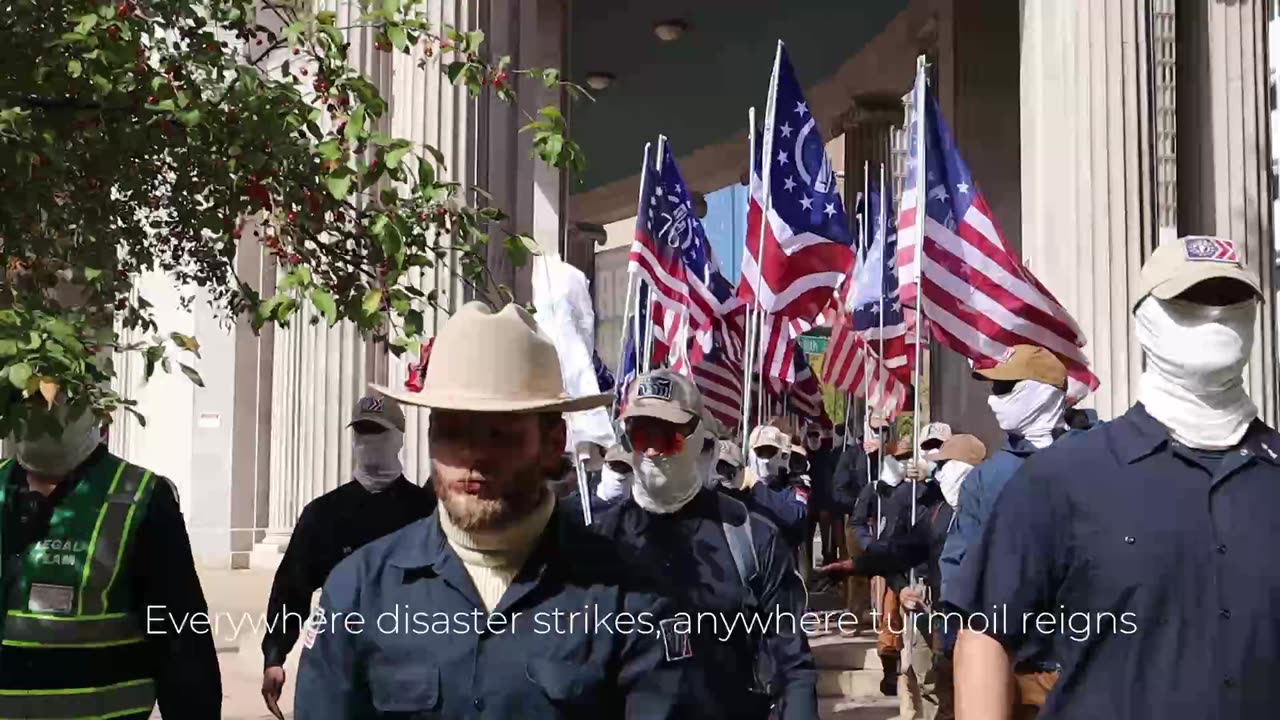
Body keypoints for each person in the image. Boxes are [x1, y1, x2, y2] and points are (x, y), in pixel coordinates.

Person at [293, 302, 683, 718]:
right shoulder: (359, 590)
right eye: (451, 431)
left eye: (498, 433)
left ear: (553, 442)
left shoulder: (631, 599)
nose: (471, 456)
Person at [952, 236, 1280, 720]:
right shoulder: (1062, 479)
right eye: (1191, 300)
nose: (1214, 316)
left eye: (1231, 300)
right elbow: (986, 633)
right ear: (1147, 318)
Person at [591, 369, 818, 719]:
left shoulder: (750, 538)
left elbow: (793, 667)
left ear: (698, 438)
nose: (652, 450)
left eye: (667, 436)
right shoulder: (598, 543)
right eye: (640, 434)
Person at [0, 393, 221, 719]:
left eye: (58, 393)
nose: (43, 405)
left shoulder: (138, 496)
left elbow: (180, 633)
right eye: (30, 395)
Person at [260, 394, 435, 719]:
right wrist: (275, 655)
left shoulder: (426, 512)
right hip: (340, 665)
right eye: (361, 432)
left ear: (398, 438)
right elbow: (291, 589)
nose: (368, 442)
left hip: (415, 669)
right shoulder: (324, 514)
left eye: (377, 432)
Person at [937, 344, 1075, 713]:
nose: (995, 400)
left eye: (1006, 387)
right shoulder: (987, 478)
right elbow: (958, 564)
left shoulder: (1100, 459)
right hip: (1015, 666)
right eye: (994, 389)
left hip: (1089, 663)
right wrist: (955, 646)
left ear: (1044, 391)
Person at [819, 433, 986, 720]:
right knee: (928, 680)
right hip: (929, 608)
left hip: (977, 620)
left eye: (945, 464)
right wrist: (858, 566)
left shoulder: (990, 513)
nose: (939, 472)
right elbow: (900, 550)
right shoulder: (932, 510)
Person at [742, 426, 810, 549]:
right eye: (760, 452)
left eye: (770, 452)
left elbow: (796, 516)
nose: (766, 459)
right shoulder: (741, 484)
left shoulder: (793, 483)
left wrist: (757, 486)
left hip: (782, 555)